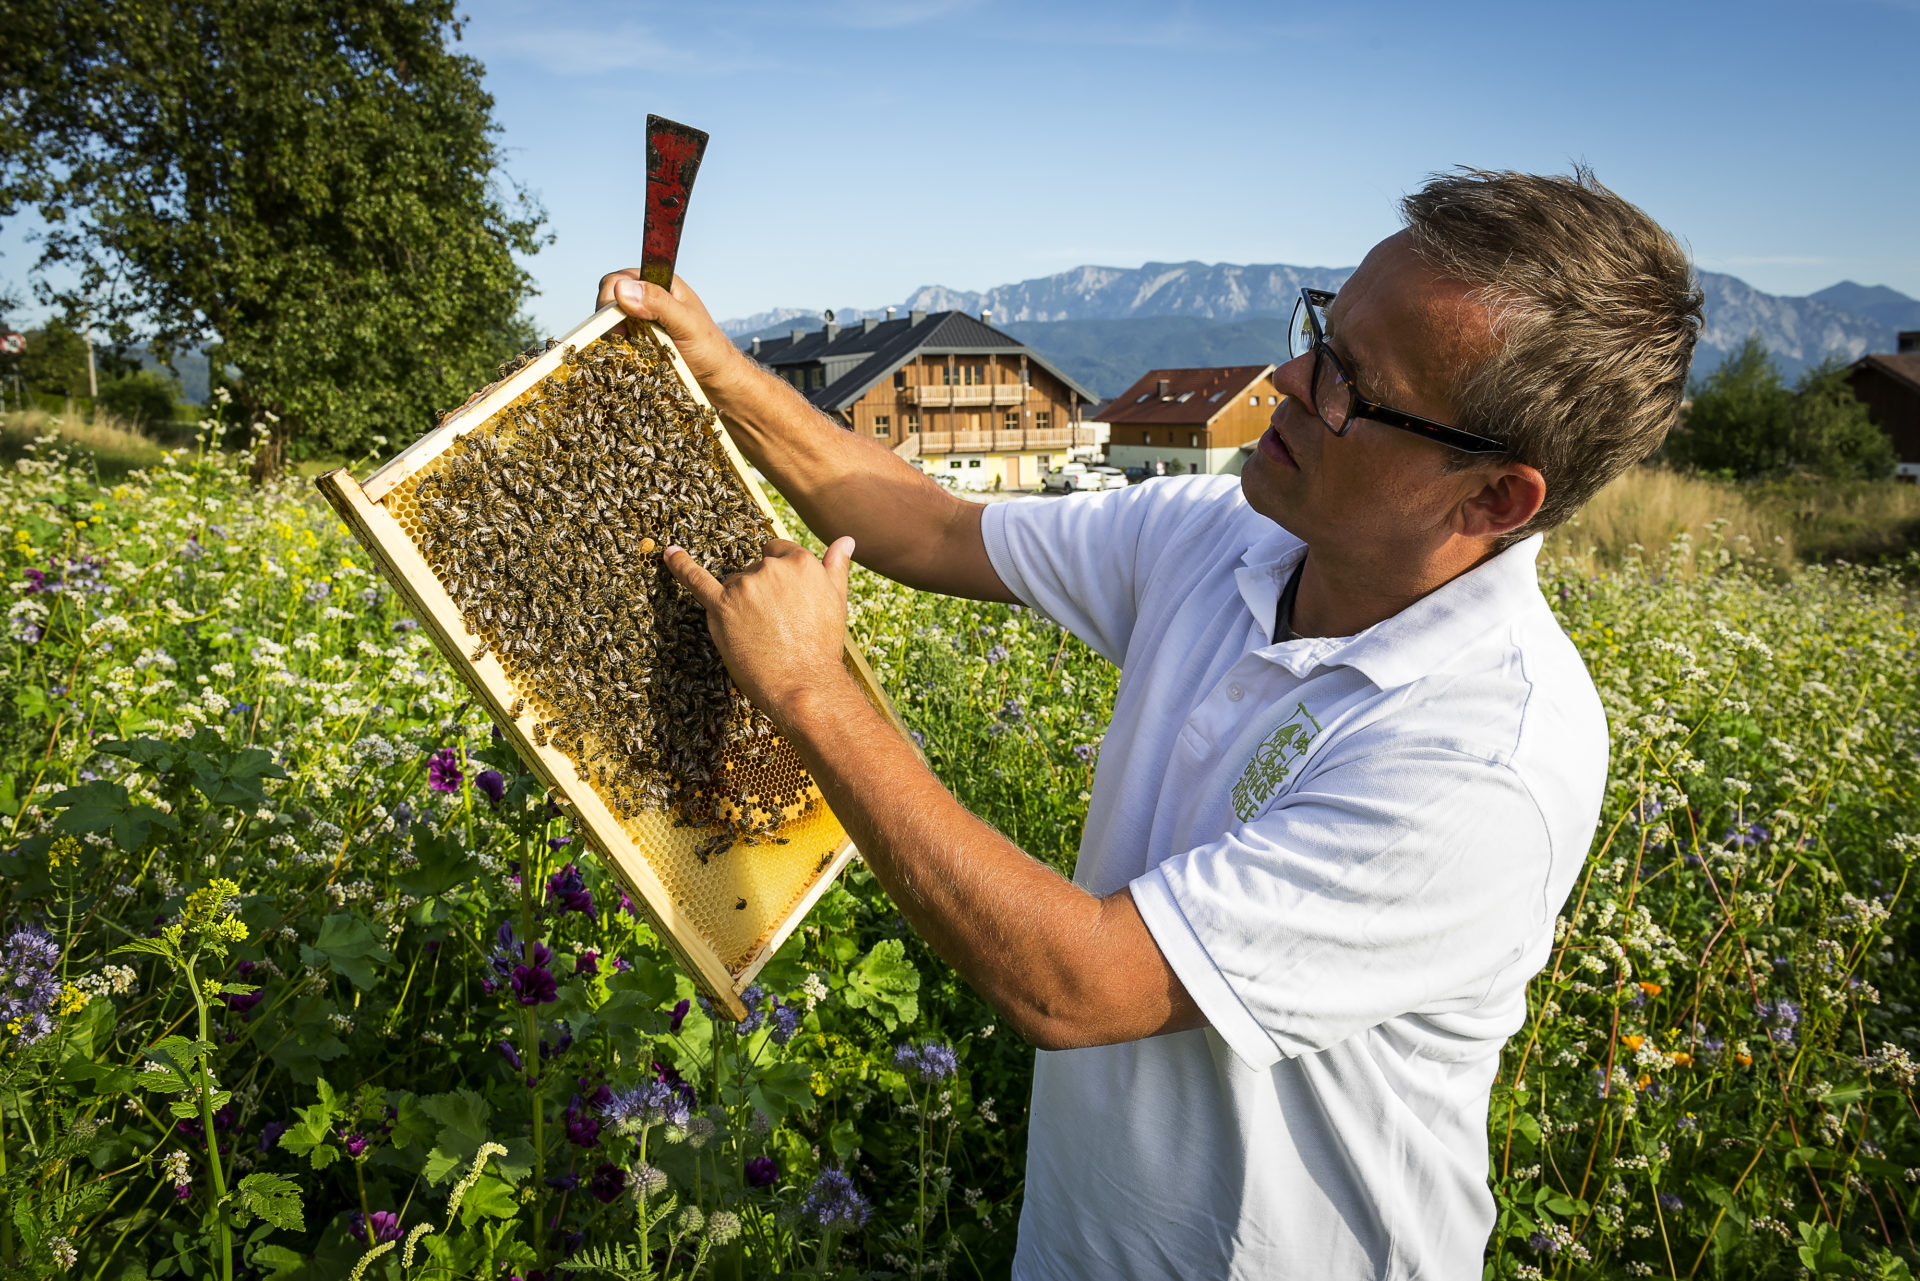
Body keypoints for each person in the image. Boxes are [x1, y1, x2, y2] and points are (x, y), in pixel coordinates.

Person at [599, 167, 1702, 1279]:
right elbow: (930, 530)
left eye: (1350, 387)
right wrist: (721, 372)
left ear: (1493, 500)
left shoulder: (1485, 763)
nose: (1285, 379)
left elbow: (1077, 985)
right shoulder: (1221, 534)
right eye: (1322, 331)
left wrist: (809, 693)